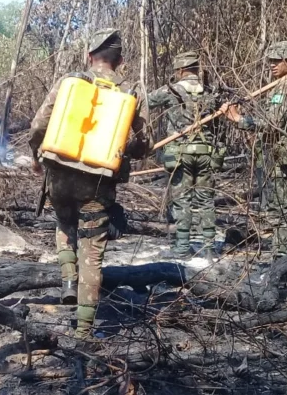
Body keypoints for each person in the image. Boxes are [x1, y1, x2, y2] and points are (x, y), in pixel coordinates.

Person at [28, 28, 152, 341]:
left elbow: (39, 125)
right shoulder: (131, 90)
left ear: (89, 56)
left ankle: (69, 281)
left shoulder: (72, 82)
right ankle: (84, 330)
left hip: (59, 176)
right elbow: (142, 144)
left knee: (63, 224)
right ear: (120, 61)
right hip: (98, 184)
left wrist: (35, 155)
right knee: (93, 254)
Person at [221, 41, 287, 258]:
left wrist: (239, 119)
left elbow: (273, 123)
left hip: (281, 156)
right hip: (272, 154)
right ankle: (283, 255)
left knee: (280, 210)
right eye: (271, 61)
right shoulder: (279, 85)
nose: (273, 65)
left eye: (278, 61)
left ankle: (281, 258)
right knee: (276, 208)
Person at [148, 51, 225, 259]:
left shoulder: (170, 91)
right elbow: (220, 124)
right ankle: (209, 247)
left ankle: (183, 247)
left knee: (182, 199)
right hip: (206, 153)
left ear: (180, 70)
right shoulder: (210, 92)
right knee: (205, 199)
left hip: (180, 154)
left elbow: (145, 103)